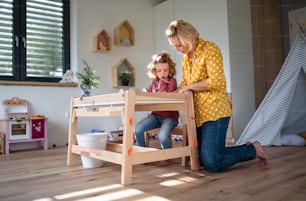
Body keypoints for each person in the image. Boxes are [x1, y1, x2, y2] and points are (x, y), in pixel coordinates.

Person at [165, 19, 269, 172]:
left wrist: (188, 87)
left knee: (212, 163)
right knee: (199, 159)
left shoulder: (210, 49)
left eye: (178, 45)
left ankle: (254, 149)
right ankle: (245, 149)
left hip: (216, 111)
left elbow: (216, 81)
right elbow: (185, 83)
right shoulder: (186, 59)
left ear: (188, 38)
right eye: (174, 46)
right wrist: (172, 93)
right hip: (199, 114)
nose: (177, 49)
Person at [134, 52, 179, 165]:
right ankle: (143, 153)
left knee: (162, 136)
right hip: (156, 116)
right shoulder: (153, 82)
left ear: (170, 70)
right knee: (138, 129)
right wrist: (145, 93)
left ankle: (167, 155)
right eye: (159, 71)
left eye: (166, 70)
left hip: (170, 117)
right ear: (154, 71)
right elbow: (150, 97)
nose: (163, 73)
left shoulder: (172, 81)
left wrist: (162, 83)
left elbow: (163, 95)